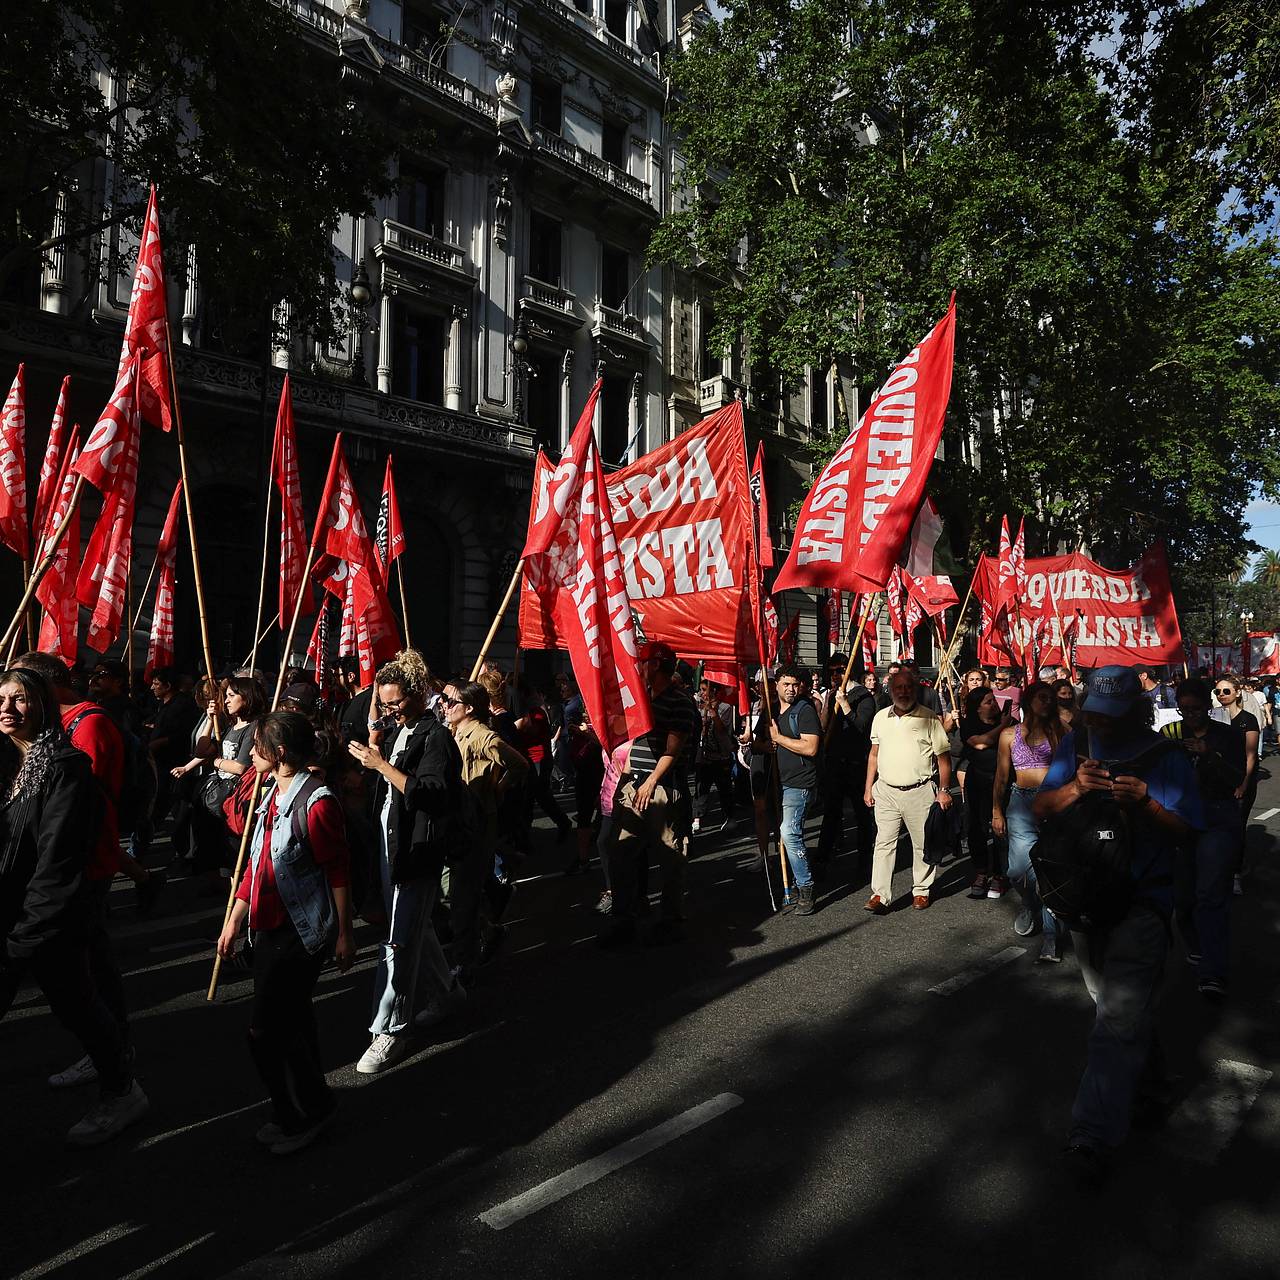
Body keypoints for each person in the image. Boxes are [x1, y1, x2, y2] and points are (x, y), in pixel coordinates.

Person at [1033, 666, 1202, 1183]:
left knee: (1116, 1018)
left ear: (1135, 709)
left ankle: (1090, 1137)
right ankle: (1150, 1086)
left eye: (1111, 716)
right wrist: (1074, 791)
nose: (1100, 725)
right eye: (1094, 715)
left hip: (1142, 904)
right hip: (1084, 902)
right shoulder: (1076, 745)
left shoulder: (1167, 757)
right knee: (1111, 1006)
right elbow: (1040, 807)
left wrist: (1146, 803)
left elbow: (1190, 830)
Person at [0, 667, 149, 1146]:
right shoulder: (9, 764)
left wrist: (24, 938)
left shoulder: (65, 769)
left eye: (19, 698)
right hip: (12, 914)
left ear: (44, 704)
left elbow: (56, 864)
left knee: (79, 1005)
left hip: (49, 920)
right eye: (0, 698)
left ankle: (121, 1090)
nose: (7, 707)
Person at [217, 712, 354, 1154]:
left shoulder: (318, 803)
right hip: (266, 932)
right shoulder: (268, 794)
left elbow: (337, 869)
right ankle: (308, 1105)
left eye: (257, 747)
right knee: (294, 1023)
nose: (249, 754)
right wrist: (234, 920)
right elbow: (255, 864)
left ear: (278, 755)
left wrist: (344, 934)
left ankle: (301, 1114)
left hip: (301, 934)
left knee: (264, 1032)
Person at [347, 650, 468, 1073]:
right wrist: (377, 752)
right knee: (414, 928)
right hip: (390, 844)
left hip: (417, 849)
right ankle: (448, 993)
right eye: (385, 702)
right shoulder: (398, 731)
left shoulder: (436, 736)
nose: (390, 710)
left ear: (417, 695)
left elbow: (432, 794)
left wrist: (381, 765)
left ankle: (389, 1030)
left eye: (396, 702)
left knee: (398, 940)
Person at [601, 641, 699, 946]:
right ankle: (624, 920)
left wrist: (652, 781)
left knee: (671, 857)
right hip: (634, 787)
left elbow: (674, 748)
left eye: (642, 661)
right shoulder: (641, 700)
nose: (638, 666)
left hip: (661, 790)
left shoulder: (679, 702)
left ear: (655, 665)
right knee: (620, 854)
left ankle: (670, 921)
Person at [1161, 679, 1244, 1000]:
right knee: (1182, 898)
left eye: (1197, 708)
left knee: (1210, 895)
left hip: (1217, 818)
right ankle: (1195, 944)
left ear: (1208, 706)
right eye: (1185, 708)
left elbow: (1237, 779)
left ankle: (1213, 969)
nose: (1191, 714)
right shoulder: (1169, 735)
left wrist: (1211, 756)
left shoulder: (1227, 736)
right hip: (1180, 819)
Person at [440, 680, 528, 981]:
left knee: (461, 897)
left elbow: (519, 765)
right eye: (443, 700)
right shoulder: (454, 731)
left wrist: (498, 788)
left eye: (451, 702)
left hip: (475, 823)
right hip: (458, 822)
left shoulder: (482, 736)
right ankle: (490, 930)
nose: (444, 705)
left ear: (469, 708)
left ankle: (464, 964)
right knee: (452, 891)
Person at [863, 668, 954, 913]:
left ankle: (922, 890)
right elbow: (874, 755)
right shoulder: (880, 717)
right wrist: (868, 787)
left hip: (920, 790)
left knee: (921, 844)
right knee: (883, 843)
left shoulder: (929, 719)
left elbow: (944, 759)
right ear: (891, 690)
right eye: (898, 688)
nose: (903, 692)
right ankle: (880, 895)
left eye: (908, 687)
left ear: (916, 690)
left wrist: (944, 790)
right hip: (886, 791)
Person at [992, 680, 1064, 961]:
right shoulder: (1010, 735)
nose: (1047, 703)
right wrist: (996, 811)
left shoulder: (1060, 732)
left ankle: (1051, 938)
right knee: (1017, 872)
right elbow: (1001, 776)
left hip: (1053, 803)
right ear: (1030, 701)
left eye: (1050, 699)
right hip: (1020, 802)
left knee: (1048, 874)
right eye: (1042, 698)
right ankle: (1028, 904)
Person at [769, 664, 822, 915]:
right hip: (778, 782)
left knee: (789, 833)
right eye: (785, 684)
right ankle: (791, 884)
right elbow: (762, 741)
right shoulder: (773, 712)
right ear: (776, 685)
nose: (790, 689)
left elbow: (811, 747)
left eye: (794, 684)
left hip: (799, 783)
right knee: (786, 835)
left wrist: (779, 739)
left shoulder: (805, 710)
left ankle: (806, 887)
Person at [818, 656, 876, 871]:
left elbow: (861, 726)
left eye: (840, 670)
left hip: (856, 763)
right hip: (835, 762)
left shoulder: (864, 697)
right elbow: (826, 726)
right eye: (832, 671)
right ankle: (822, 858)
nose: (836, 675)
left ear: (849, 670)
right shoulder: (832, 693)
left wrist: (844, 705)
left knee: (861, 815)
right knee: (831, 812)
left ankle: (864, 862)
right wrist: (829, 704)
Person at [959, 685, 1011, 899]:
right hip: (977, 780)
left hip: (1002, 780)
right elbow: (980, 744)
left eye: (994, 700)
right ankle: (981, 871)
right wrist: (1003, 727)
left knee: (1000, 826)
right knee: (976, 828)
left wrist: (1007, 724)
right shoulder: (969, 724)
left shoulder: (1009, 722)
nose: (994, 705)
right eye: (988, 702)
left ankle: (999, 874)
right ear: (977, 708)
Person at [1210, 673, 1259, 895]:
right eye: (1217, 691)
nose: (1221, 695)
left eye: (1226, 691)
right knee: (1220, 827)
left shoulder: (1247, 719)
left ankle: (1236, 874)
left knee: (1237, 827)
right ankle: (1222, 870)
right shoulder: (1214, 718)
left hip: (1242, 781)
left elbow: (1251, 756)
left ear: (1238, 692)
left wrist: (1244, 784)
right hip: (1220, 781)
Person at [692, 680, 736, 835]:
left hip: (721, 756)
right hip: (703, 756)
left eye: (705, 689)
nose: (702, 693)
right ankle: (697, 818)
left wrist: (713, 714)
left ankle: (729, 817)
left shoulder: (725, 708)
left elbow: (723, 730)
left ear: (714, 691)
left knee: (724, 788)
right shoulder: (698, 708)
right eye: (701, 690)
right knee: (701, 788)